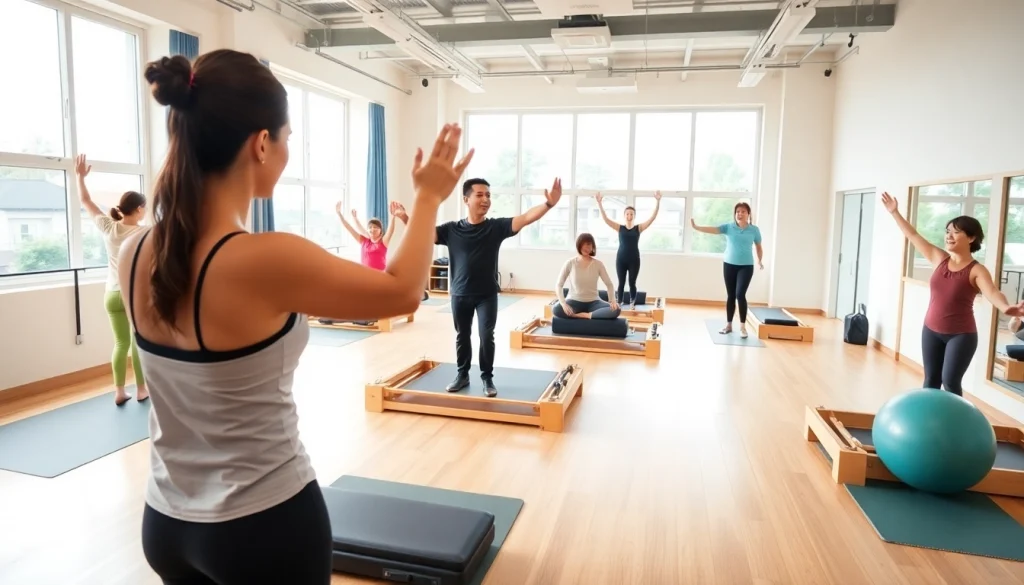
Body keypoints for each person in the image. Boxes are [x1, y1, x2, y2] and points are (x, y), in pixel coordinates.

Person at [126, 50, 472, 585]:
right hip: (261, 527)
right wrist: (427, 197)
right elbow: (404, 292)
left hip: (166, 522)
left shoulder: (133, 252)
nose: (286, 151)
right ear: (261, 143)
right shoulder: (265, 259)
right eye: (287, 138)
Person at [395, 177, 563, 398]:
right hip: (459, 294)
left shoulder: (495, 227)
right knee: (462, 335)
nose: (486, 200)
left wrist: (549, 204)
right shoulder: (451, 230)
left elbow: (525, 218)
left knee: (486, 336)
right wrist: (405, 217)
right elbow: (425, 232)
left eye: (489, 195)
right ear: (466, 199)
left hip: (486, 295)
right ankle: (462, 374)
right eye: (480, 195)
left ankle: (487, 377)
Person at [881, 191, 1024, 395]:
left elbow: (992, 291)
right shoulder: (939, 258)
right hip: (931, 330)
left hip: (961, 335)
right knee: (931, 380)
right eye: (947, 231)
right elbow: (913, 235)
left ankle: (955, 425)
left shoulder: (976, 270)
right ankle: (929, 423)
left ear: (971, 237)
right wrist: (895, 213)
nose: (948, 236)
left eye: (956, 232)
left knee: (950, 382)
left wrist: (1005, 307)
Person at [75, 154, 148, 405]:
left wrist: (80, 177)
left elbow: (85, 200)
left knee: (120, 342)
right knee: (138, 342)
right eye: (144, 208)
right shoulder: (144, 231)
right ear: (139, 209)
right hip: (133, 295)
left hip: (111, 294)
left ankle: (118, 392)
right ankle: (141, 390)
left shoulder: (109, 226)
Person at [691, 202, 764, 339]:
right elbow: (713, 230)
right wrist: (696, 227)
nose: (740, 214)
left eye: (743, 211)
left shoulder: (754, 230)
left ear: (748, 214)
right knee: (731, 295)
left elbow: (759, 247)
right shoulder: (729, 227)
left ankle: (743, 327)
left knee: (740, 294)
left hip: (746, 266)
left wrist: (760, 260)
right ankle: (729, 325)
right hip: (729, 265)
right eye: (737, 211)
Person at [594, 191, 660, 307]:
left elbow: (652, 218)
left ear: (634, 216)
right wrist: (599, 203)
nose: (629, 216)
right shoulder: (620, 228)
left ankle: (632, 303)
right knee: (621, 283)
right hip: (621, 259)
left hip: (634, 259)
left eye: (631, 214)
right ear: (624, 216)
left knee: (632, 283)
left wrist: (658, 201)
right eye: (627, 214)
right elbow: (606, 219)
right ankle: (619, 302)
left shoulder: (638, 228)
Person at [554, 233, 621, 320]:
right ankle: (589, 315)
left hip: (594, 302)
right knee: (556, 309)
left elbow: (609, 284)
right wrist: (563, 304)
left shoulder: (598, 264)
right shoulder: (570, 263)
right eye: (583, 245)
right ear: (579, 245)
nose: (586, 248)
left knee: (616, 310)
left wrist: (613, 301)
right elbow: (559, 285)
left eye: (589, 245)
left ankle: (583, 315)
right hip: (574, 301)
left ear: (593, 247)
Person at [335, 202, 397, 271]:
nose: (372, 229)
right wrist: (339, 214)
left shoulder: (383, 241)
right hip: (365, 274)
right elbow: (349, 228)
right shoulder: (364, 240)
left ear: (381, 230)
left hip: (380, 276)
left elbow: (390, 231)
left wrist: (392, 217)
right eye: (370, 227)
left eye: (375, 227)